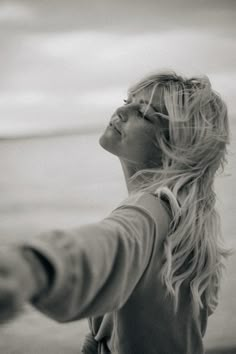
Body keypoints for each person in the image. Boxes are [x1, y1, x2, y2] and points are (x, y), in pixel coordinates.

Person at [0, 71, 231, 354]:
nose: (122, 110)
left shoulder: (149, 211)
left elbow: (111, 243)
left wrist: (35, 266)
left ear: (177, 145)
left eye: (144, 112)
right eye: (128, 100)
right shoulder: (185, 220)